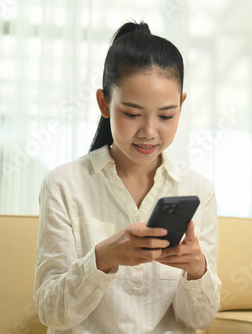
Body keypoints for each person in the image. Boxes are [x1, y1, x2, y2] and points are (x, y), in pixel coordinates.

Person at [33, 22, 221, 333]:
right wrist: (101, 259)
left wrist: (198, 271)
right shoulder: (63, 185)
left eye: (166, 116)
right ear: (104, 103)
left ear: (181, 105)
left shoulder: (199, 190)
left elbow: (199, 320)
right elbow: (51, 313)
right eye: (132, 114)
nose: (149, 132)